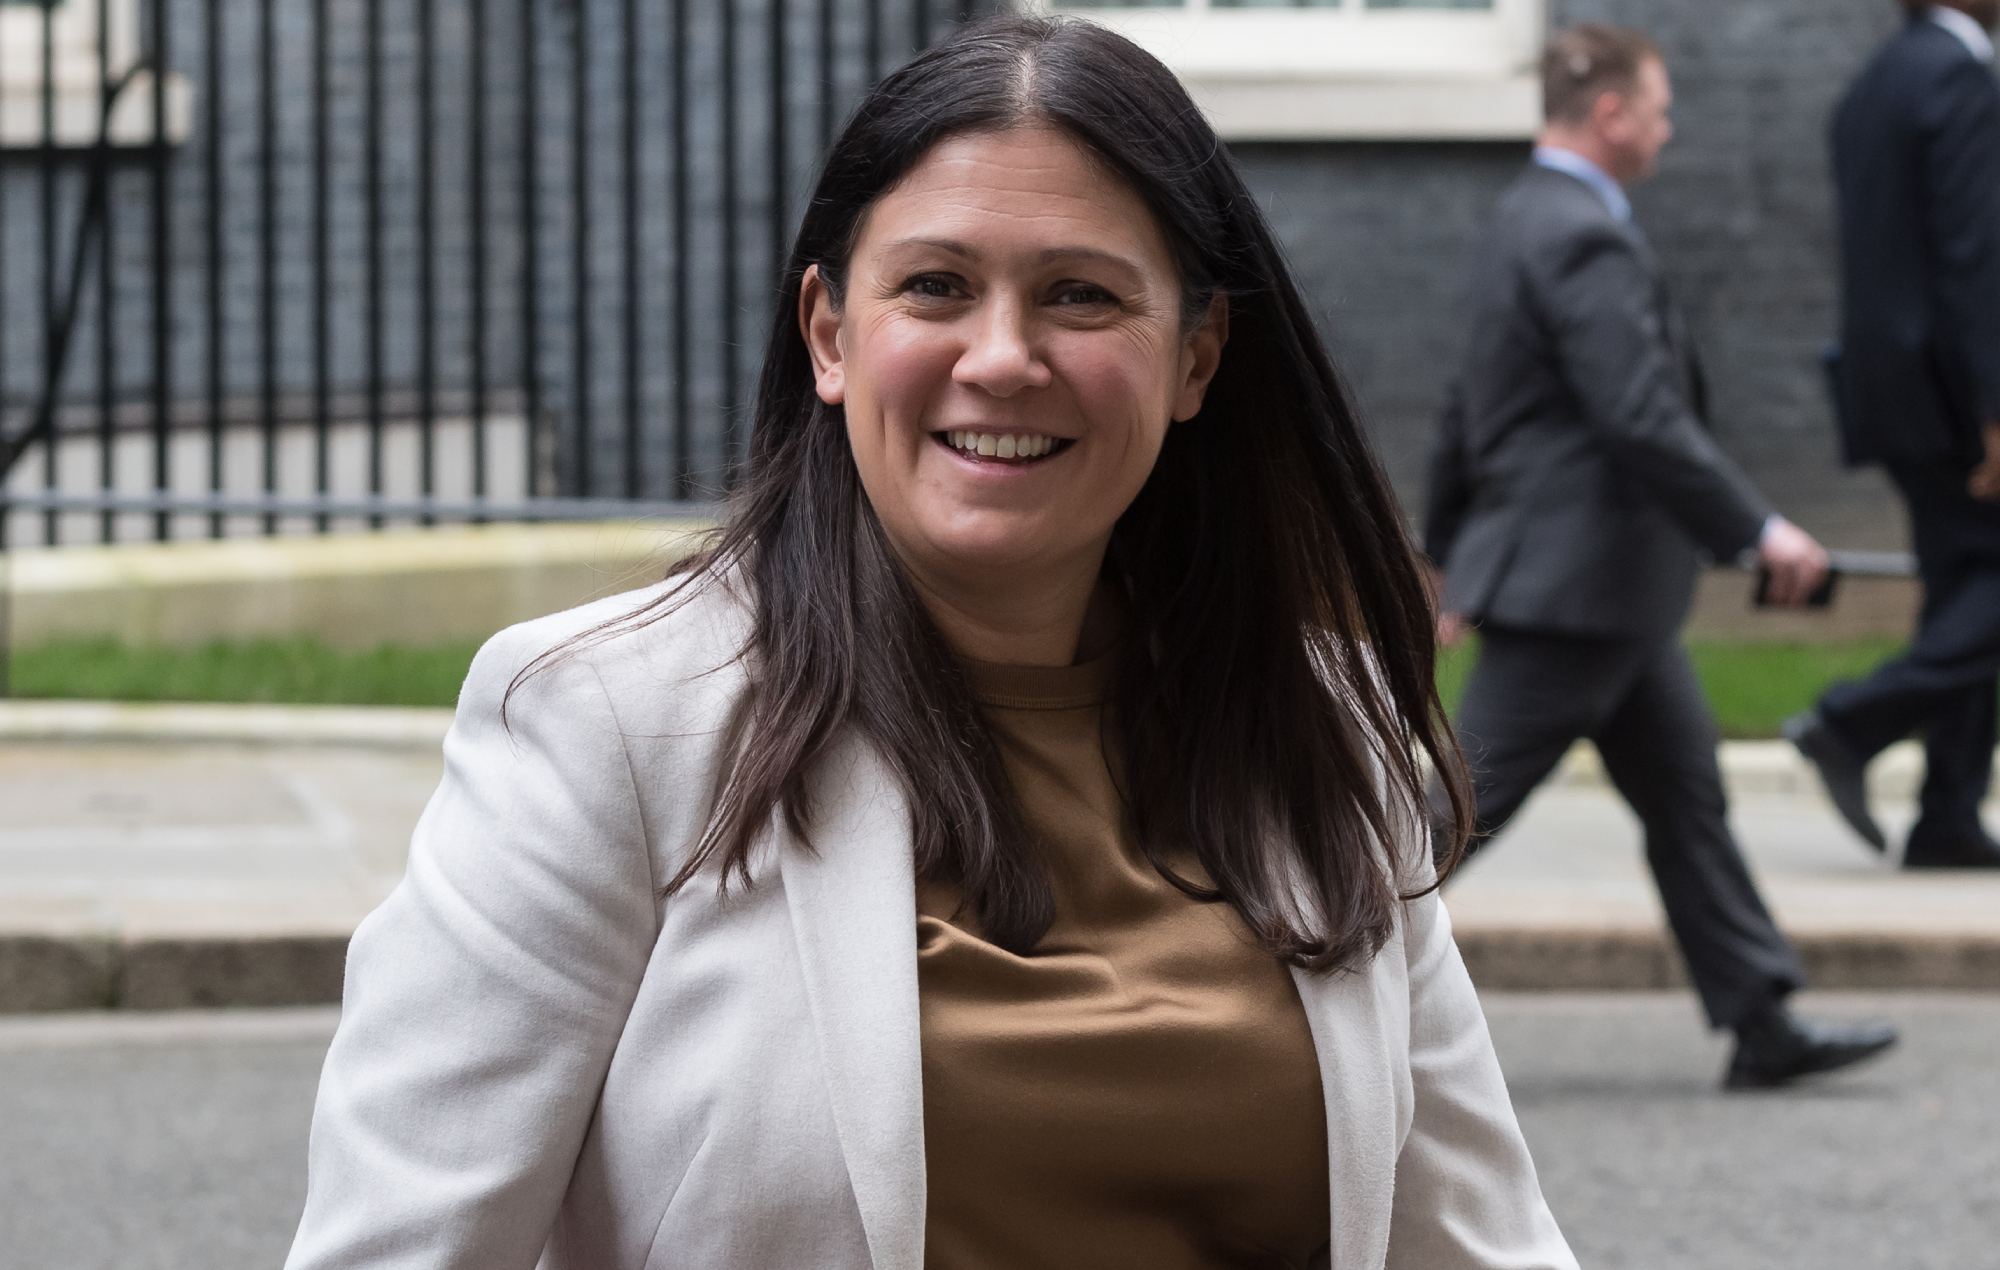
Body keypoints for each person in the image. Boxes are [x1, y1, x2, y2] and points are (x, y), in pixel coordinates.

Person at [285, 16, 1577, 1269]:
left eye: (1079, 294)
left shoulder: (1316, 728)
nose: (1002, 357)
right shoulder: (608, 723)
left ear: (1196, 359)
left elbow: (1480, 1235)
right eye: (937, 287)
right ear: (831, 334)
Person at [1424, 24, 1898, 1090]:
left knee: (1685, 797)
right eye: (1659, 106)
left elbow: (1466, 402)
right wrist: (1755, 529)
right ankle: (1280, 958)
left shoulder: (1518, 219)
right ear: (1610, 115)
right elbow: (1634, 412)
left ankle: (1759, 1015)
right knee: (1444, 820)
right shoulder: (1581, 234)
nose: (1668, 127)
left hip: (1603, 589)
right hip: (1578, 584)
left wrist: (1443, 543)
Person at [1786, 0, 2000, 870]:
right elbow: (1973, 257)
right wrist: (1996, 409)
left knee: (1966, 585)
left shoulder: (1874, 83)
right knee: (1985, 592)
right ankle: (1850, 720)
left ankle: (1948, 813)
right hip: (1954, 398)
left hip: (1892, 393)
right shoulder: (1961, 76)